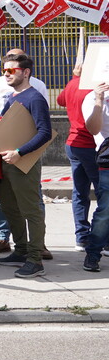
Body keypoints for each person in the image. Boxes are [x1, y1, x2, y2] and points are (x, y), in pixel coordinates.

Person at [0, 47, 50, 257]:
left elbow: (45, 133)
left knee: (31, 211)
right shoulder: (11, 97)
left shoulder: (35, 98)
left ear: (26, 72)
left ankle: (35, 257)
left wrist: (20, 152)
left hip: (23, 163)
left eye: (11, 71)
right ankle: (20, 250)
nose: (6, 74)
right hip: (6, 163)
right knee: (10, 209)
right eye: (5, 70)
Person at [58, 63, 98, 251]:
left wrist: (74, 78)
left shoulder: (73, 84)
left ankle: (81, 237)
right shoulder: (96, 88)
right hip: (92, 145)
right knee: (103, 193)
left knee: (79, 193)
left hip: (73, 144)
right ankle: (102, 240)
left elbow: (60, 100)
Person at [80, 81, 109, 271]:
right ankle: (93, 254)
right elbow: (93, 129)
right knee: (106, 211)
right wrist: (99, 101)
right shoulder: (92, 97)